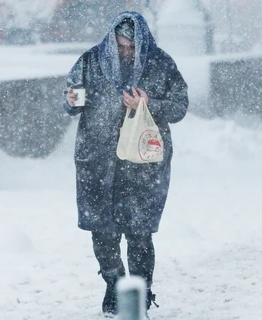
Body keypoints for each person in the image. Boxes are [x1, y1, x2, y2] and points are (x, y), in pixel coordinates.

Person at [61, 11, 189, 317]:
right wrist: (70, 100)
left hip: (144, 164)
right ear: (111, 40)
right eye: (120, 47)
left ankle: (140, 293)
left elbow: (180, 106)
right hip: (97, 160)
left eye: (131, 48)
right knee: (102, 232)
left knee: (139, 232)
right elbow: (72, 103)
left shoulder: (160, 63)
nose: (126, 53)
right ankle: (114, 284)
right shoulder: (91, 61)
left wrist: (149, 105)